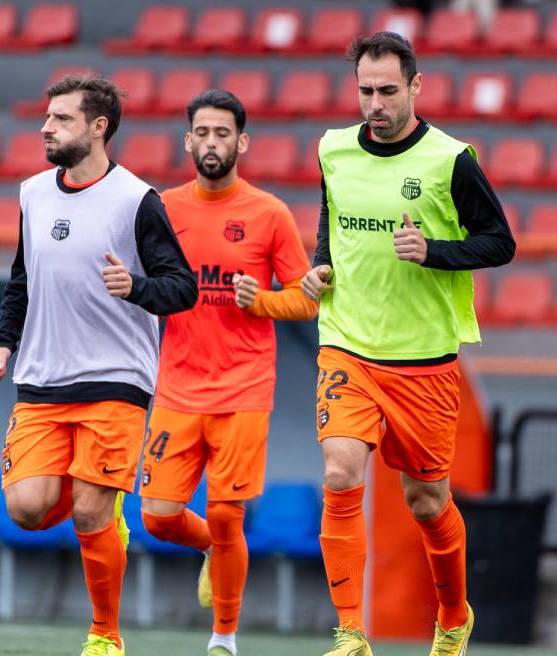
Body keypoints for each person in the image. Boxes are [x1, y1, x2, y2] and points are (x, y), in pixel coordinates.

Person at [301, 32, 515, 656]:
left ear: (416, 86)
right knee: (340, 472)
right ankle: (350, 632)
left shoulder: (451, 160)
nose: (376, 103)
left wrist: (435, 252)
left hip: (423, 361)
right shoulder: (333, 149)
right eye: (366, 90)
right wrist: (321, 266)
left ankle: (453, 616)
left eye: (388, 90)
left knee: (427, 503)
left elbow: (499, 242)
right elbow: (332, 220)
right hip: (347, 345)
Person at [0, 75, 197, 656]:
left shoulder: (136, 199)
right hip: (42, 380)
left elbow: (183, 288)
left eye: (61, 118)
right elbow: (22, 280)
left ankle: (105, 636)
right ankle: (101, 512)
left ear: (98, 127)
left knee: (87, 509)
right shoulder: (32, 193)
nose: (46, 127)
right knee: (26, 509)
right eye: (47, 117)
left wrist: (136, 288)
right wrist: (4, 340)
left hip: (116, 379)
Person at [137, 89, 318, 656]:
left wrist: (260, 301)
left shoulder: (269, 214)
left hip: (244, 386)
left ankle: (224, 637)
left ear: (242, 142)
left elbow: (306, 300)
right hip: (177, 384)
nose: (211, 143)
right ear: (187, 140)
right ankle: (214, 550)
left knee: (225, 510)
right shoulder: (162, 209)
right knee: (158, 517)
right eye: (202, 133)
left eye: (223, 134)